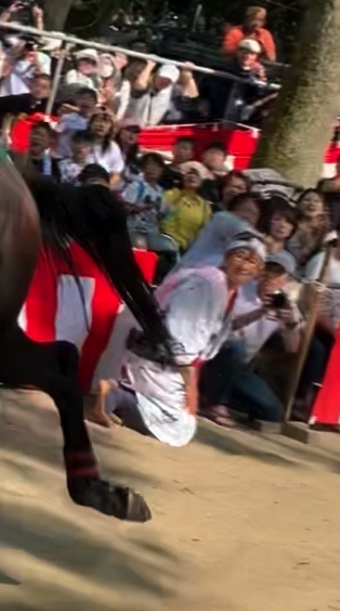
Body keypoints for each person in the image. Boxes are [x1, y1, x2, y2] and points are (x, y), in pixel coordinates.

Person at [96, 235, 267, 445]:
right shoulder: (208, 283)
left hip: (162, 358)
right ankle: (117, 396)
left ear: (258, 270)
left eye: (251, 262)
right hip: (152, 357)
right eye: (240, 256)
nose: (243, 266)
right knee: (181, 427)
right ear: (227, 256)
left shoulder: (225, 288)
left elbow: (214, 332)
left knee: (184, 420)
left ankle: (123, 397)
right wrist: (190, 386)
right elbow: (179, 334)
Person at [199, 260, 300, 426]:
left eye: (276, 280)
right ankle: (215, 404)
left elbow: (293, 348)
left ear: (283, 282)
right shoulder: (240, 294)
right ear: (259, 277)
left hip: (240, 368)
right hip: (215, 356)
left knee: (273, 412)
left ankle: (212, 394)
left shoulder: (284, 305)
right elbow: (227, 327)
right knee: (238, 345)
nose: (270, 283)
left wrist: (290, 325)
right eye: (267, 278)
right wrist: (259, 312)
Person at [178, 191, 260, 271]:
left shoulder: (244, 243)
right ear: (233, 210)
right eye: (247, 210)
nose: (250, 217)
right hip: (189, 272)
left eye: (255, 214)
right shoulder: (220, 218)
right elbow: (241, 228)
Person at [0, 72, 52, 145]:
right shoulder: (23, 100)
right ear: (31, 85)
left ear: (49, 92)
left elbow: (16, 119)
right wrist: (6, 134)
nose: (39, 90)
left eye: (44, 88)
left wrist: (10, 134)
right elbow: (9, 116)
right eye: (37, 85)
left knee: (4, 143)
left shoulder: (36, 105)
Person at [161, 161, 214, 253]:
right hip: (165, 244)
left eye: (196, 174)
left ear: (202, 181)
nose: (192, 176)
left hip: (189, 249)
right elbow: (161, 219)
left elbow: (204, 231)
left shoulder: (205, 206)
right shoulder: (170, 194)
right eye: (189, 173)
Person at [54, 87, 98, 155]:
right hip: (62, 155)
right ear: (76, 100)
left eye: (90, 100)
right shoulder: (67, 118)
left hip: (81, 158)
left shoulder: (95, 123)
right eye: (83, 98)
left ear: (95, 104)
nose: (86, 102)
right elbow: (56, 134)